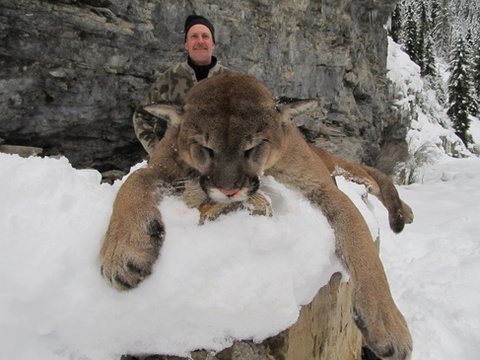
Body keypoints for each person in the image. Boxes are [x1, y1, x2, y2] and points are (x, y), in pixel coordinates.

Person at [133, 15, 235, 154]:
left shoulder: (231, 79)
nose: (200, 41)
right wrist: (157, 151)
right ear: (186, 44)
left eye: (205, 36)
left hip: (219, 162)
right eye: (194, 36)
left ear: (213, 44)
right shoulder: (170, 77)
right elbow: (141, 115)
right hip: (178, 161)